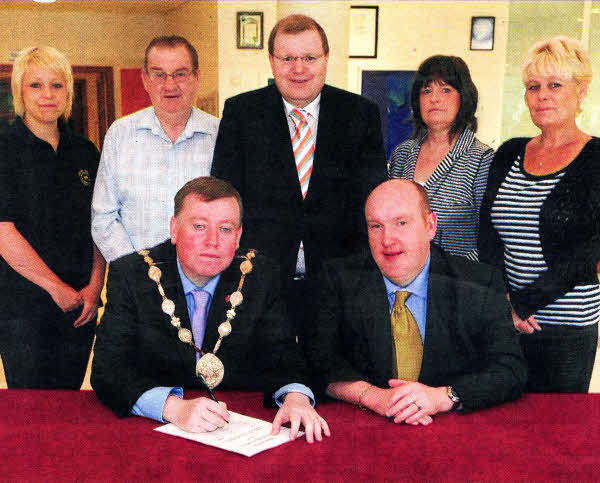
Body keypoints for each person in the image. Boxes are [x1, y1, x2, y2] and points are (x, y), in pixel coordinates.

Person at [91, 177, 330, 443]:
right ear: (174, 229)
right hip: (155, 433)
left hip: (240, 432)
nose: (213, 241)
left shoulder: (261, 275)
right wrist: (172, 407)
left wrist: (295, 398)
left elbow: (284, 354)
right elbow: (107, 370)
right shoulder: (131, 275)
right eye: (199, 226)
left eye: (225, 229)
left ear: (239, 236)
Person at [211, 14, 387, 340]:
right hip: (260, 280)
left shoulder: (360, 114)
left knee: (331, 378)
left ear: (326, 59)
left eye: (309, 58)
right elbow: (223, 198)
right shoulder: (242, 112)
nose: (298, 69)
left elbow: (374, 200)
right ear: (271, 61)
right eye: (288, 58)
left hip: (339, 282)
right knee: (266, 379)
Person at [304, 179, 526, 425]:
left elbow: (510, 369)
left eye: (401, 223)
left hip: (451, 432)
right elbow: (319, 360)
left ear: (430, 225)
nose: (387, 239)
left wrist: (443, 396)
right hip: (366, 430)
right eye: (376, 226)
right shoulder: (337, 279)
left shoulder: (480, 283)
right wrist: (372, 396)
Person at [478, 36, 600, 393]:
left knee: (554, 434)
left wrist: (522, 303)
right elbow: (488, 234)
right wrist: (502, 304)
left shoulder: (596, 157)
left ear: (581, 92)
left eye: (555, 85)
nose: (542, 95)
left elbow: (589, 250)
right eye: (534, 87)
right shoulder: (509, 152)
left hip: (566, 326)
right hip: (505, 319)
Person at [0, 46, 105, 388]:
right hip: (23, 308)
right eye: (36, 85)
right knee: (31, 412)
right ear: (19, 92)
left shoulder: (85, 151)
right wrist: (55, 288)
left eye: (57, 85)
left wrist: (94, 287)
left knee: (70, 406)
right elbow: (4, 231)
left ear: (69, 92)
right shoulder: (6, 148)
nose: (47, 95)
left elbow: (100, 225)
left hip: (80, 307)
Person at [92, 35, 219, 263]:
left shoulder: (220, 135)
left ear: (197, 77)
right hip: (134, 281)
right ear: (145, 79)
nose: (170, 85)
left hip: (207, 277)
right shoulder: (120, 134)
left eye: (180, 73)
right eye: (159, 74)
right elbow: (103, 217)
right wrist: (136, 270)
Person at [389, 55, 493, 260]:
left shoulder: (482, 159)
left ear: (463, 97)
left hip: (458, 281)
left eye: (445, 90)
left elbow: (489, 239)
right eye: (426, 91)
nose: (434, 98)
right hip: (401, 276)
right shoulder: (402, 154)